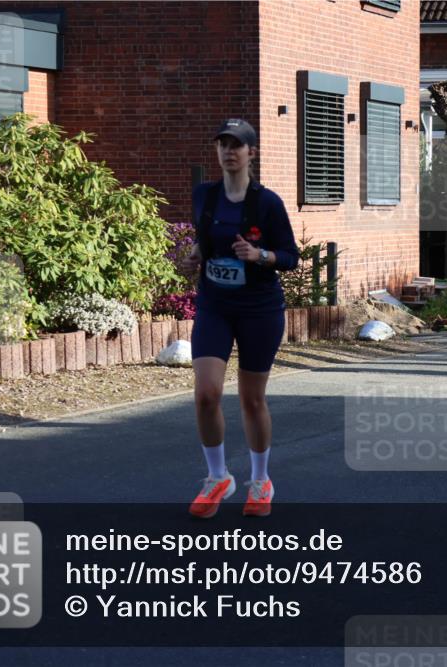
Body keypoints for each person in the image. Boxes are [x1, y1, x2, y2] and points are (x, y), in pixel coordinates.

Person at [184, 119, 299, 519]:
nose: (229, 152)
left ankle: (261, 480)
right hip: (215, 305)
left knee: (251, 398)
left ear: (252, 153)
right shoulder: (205, 195)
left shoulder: (267, 203)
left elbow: (290, 256)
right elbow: (204, 238)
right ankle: (218, 477)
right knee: (206, 394)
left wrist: (261, 256)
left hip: (259, 309)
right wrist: (198, 254)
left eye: (238, 145)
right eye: (223, 145)